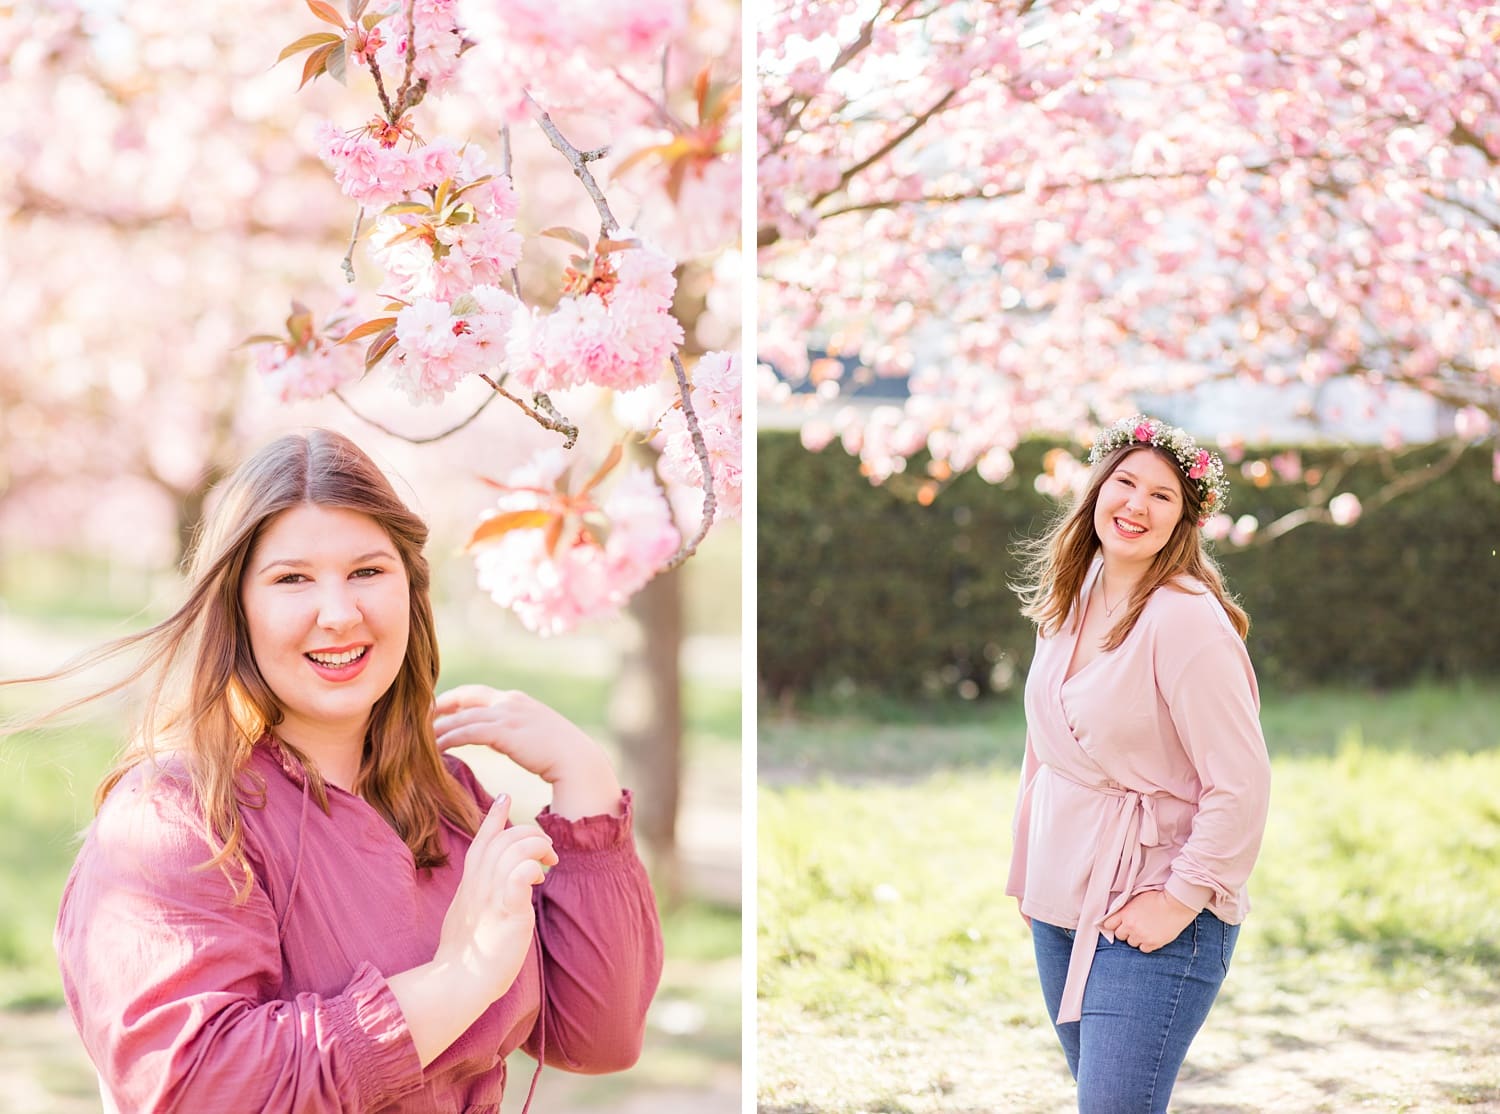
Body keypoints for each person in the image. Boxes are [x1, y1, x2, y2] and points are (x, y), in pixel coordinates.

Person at [19, 429, 662, 1112]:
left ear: (410, 592)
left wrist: (583, 778)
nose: (338, 613)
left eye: (367, 572)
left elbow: (601, 1037)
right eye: (292, 579)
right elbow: (199, 1090)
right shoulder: (172, 822)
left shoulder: (446, 801)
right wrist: (458, 979)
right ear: (235, 607)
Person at [1006, 415, 1272, 1113]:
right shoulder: (1073, 595)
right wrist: (1030, 876)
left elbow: (1241, 784)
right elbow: (1046, 750)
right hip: (1063, 898)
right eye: (1125, 482)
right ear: (1096, 489)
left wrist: (1179, 900)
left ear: (1184, 521)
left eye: (1162, 496)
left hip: (1156, 907)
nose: (1136, 505)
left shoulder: (1187, 621)